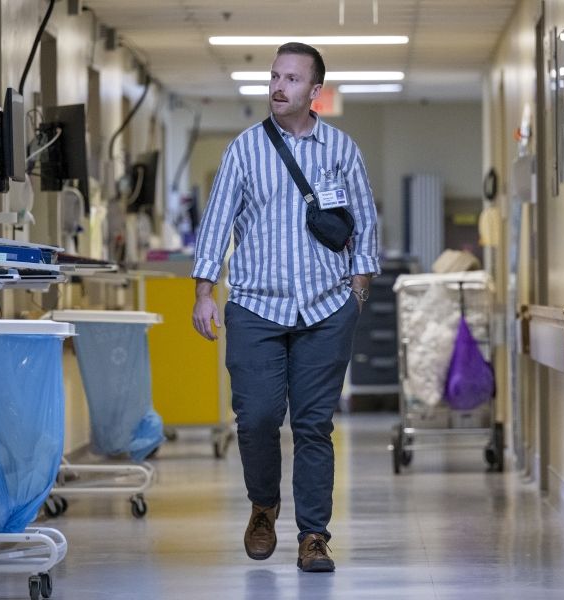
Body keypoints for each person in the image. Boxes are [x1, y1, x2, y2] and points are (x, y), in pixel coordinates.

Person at [190, 42, 379, 573]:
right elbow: (218, 220)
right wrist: (205, 290)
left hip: (325, 308)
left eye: (292, 79)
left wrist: (356, 291)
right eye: (275, 76)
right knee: (257, 418)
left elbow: (363, 221)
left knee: (315, 425)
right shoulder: (245, 150)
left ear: (315, 91)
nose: (279, 86)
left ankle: (314, 535)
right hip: (255, 305)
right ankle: (263, 506)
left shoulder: (341, 149)